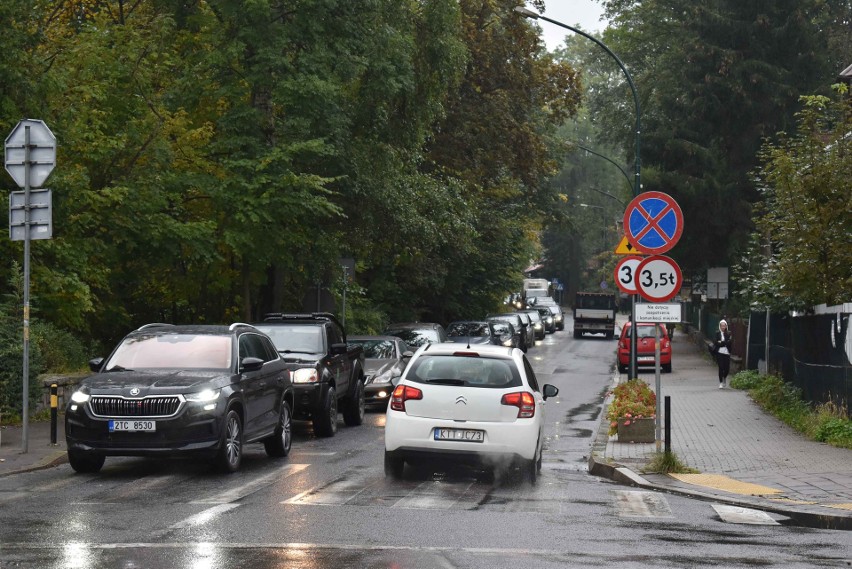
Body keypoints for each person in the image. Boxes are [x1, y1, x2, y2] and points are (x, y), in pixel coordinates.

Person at [714, 320, 733, 388]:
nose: (723, 327)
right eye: (721, 326)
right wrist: (724, 343)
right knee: (721, 367)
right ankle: (721, 382)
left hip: (727, 353)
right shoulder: (717, 333)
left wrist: (721, 342)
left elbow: (730, 342)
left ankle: (724, 377)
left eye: (724, 325)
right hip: (719, 353)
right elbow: (716, 342)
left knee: (727, 368)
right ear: (720, 326)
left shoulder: (728, 333)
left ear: (726, 326)